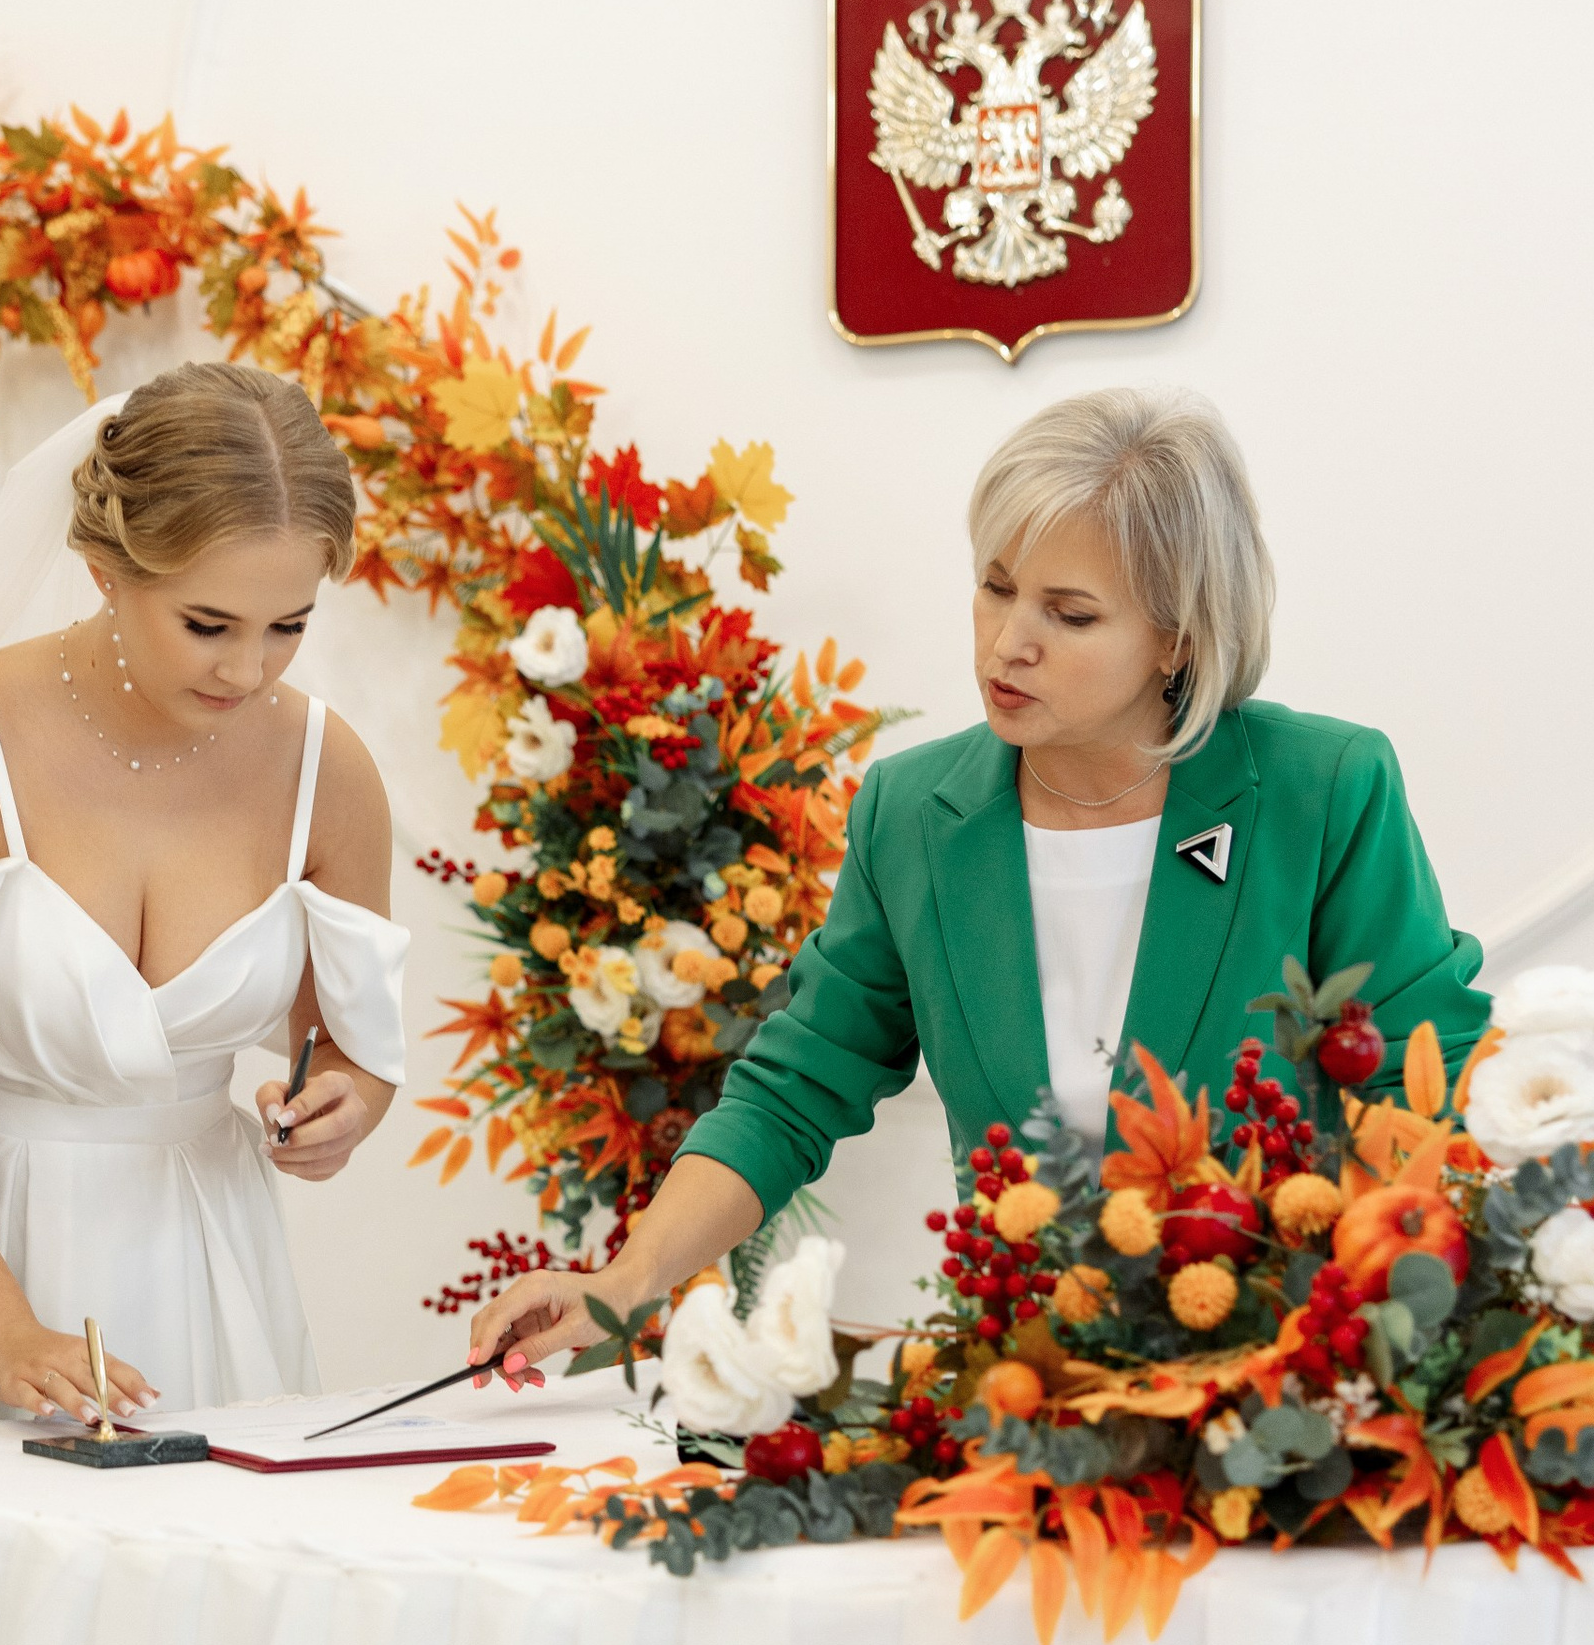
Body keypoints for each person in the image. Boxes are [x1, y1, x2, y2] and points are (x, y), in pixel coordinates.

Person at [471, 384, 1487, 1375]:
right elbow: (794, 1086)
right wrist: (628, 1276)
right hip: (1023, 1388)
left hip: (1289, 1374)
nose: (1009, 642)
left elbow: (1417, 1084)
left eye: (1071, 613)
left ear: (1176, 637)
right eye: (996, 586)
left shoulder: (1324, 790)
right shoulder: (911, 814)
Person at [0, 363, 407, 1424]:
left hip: (205, 1268)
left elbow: (345, 1050)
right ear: (104, 568)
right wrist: (2, 1327)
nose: (249, 670)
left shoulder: (326, 769)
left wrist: (345, 1106)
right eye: (208, 624)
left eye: (287, 625)